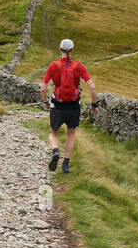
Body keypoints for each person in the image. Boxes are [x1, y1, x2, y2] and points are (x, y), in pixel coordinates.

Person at [40, 38, 97, 173]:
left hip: (58, 106)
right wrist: (94, 105)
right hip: (73, 106)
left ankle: (55, 151)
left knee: (54, 133)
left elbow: (43, 88)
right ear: (71, 50)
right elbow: (92, 87)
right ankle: (66, 164)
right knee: (71, 133)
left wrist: (46, 102)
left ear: (60, 49)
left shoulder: (53, 66)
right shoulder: (79, 66)